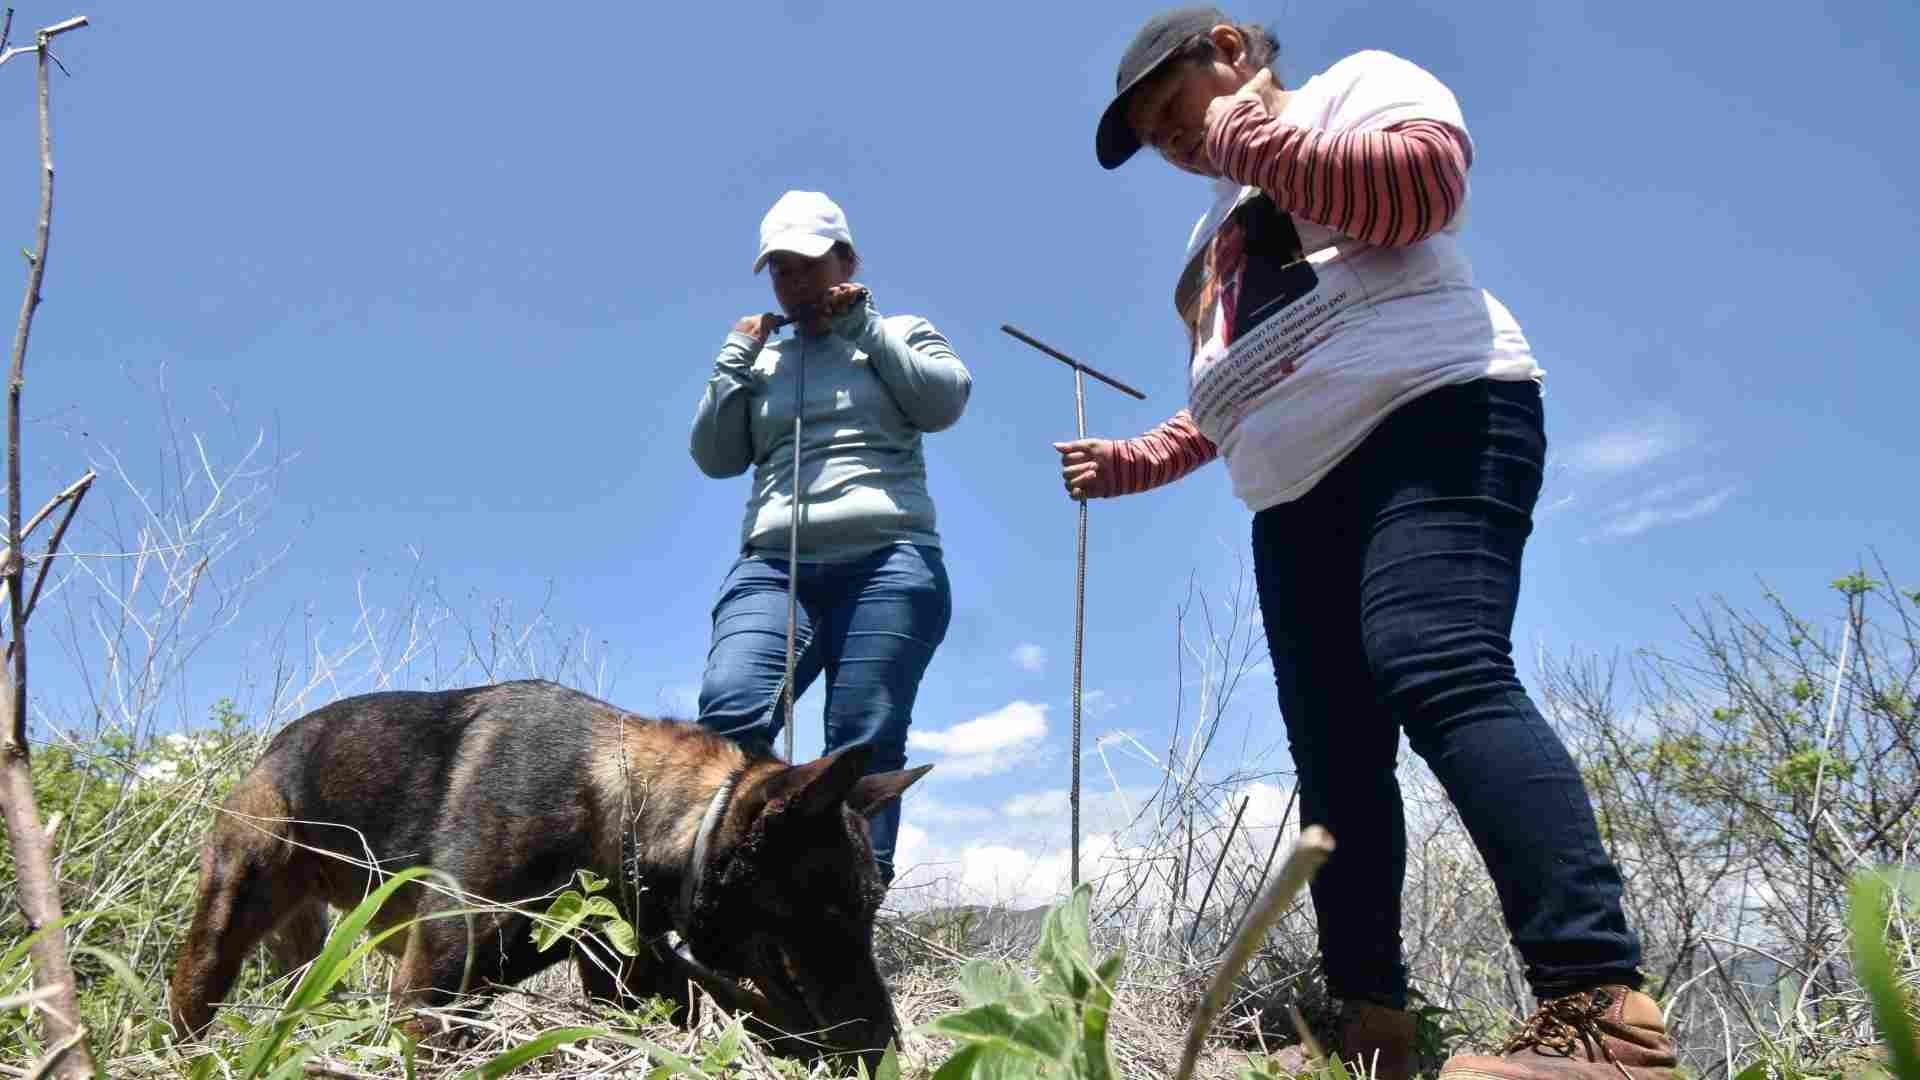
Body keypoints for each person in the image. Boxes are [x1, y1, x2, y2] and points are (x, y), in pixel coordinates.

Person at [1060, 10, 1677, 1080]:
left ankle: (1600, 1011)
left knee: (1435, 661)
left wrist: (1249, 139)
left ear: (1231, 47)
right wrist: (1137, 461)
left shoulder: (1357, 87)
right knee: (1335, 761)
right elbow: (1233, 383)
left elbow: (1417, 193)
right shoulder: (1206, 245)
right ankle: (1372, 1033)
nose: (1170, 139)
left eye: (1173, 107)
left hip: (1431, 412)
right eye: (1151, 136)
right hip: (1292, 494)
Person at [690, 190, 970, 889]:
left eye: (810, 265)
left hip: (889, 562)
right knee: (728, 715)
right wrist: (733, 359)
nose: (795, 284)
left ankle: (849, 911)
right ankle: (720, 891)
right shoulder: (762, 362)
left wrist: (868, 332)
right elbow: (717, 456)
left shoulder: (901, 331)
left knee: (860, 740)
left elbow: (944, 401)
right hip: (775, 569)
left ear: (847, 260)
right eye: (781, 270)